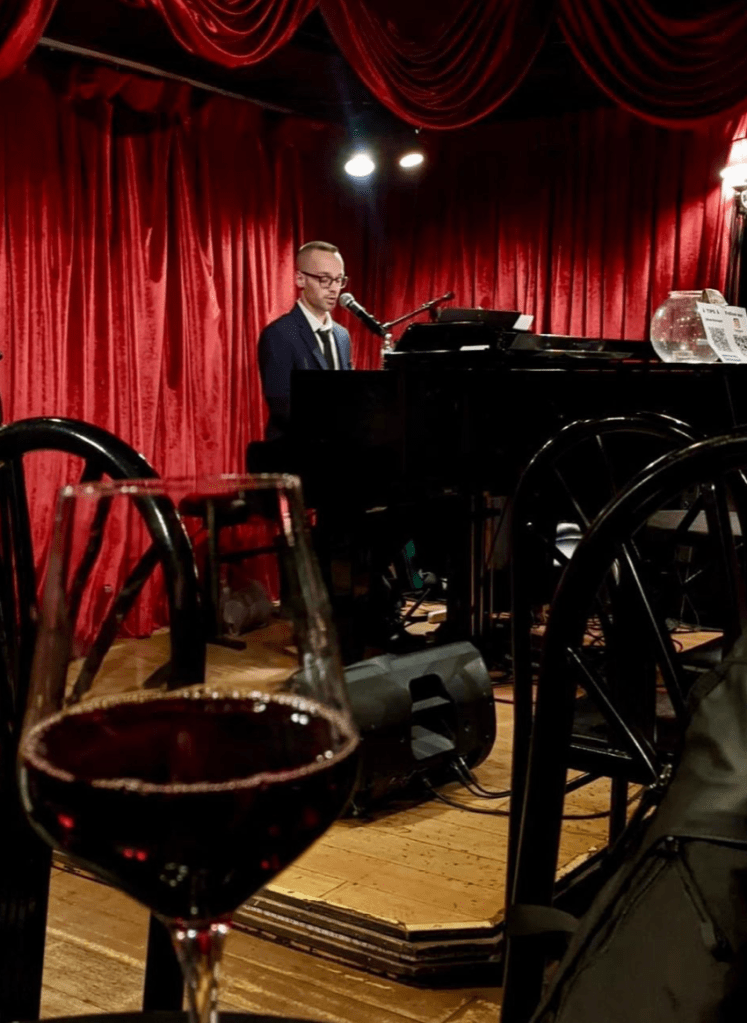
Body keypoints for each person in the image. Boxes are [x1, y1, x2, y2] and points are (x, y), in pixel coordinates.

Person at [258, 240, 352, 441]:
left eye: (339, 280)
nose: (334, 289)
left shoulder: (342, 336)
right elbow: (282, 406)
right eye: (325, 279)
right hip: (295, 450)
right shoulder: (278, 334)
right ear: (300, 279)